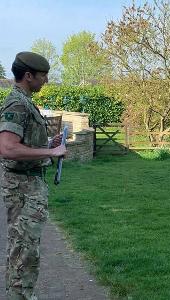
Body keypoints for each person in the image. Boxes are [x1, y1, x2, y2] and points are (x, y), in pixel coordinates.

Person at [0, 51, 67, 300]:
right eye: (43, 76)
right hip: (22, 190)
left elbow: (24, 142)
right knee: (24, 252)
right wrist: (50, 152)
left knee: (25, 250)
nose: (46, 81)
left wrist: (50, 144)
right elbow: (7, 147)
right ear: (28, 76)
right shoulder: (17, 103)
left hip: (29, 187)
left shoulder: (25, 101)